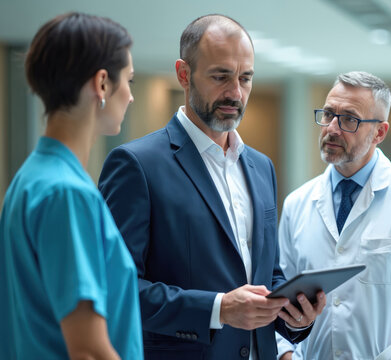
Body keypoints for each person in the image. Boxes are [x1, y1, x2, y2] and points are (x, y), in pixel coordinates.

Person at [98, 14, 325, 360]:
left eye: (245, 78)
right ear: (184, 74)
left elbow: (266, 273)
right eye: (221, 76)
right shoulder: (136, 165)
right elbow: (116, 288)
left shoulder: (261, 167)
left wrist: (295, 316)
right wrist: (218, 309)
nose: (235, 93)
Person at [276, 71, 391, 360]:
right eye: (328, 114)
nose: (332, 128)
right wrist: (285, 355)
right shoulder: (297, 203)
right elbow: (278, 297)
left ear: (379, 133)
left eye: (349, 119)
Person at [0, 12, 142, 359]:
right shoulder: (67, 193)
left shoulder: (30, 179)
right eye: (130, 81)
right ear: (103, 83)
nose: (131, 96)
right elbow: (89, 351)